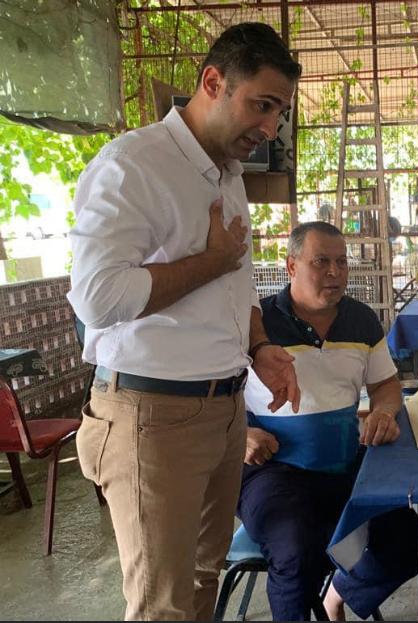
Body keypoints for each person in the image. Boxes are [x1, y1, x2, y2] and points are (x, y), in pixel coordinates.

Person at [68, 23, 302, 621]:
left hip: (224, 409)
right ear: (213, 82)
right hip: (153, 416)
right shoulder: (133, 165)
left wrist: (261, 345)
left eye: (279, 113)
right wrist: (212, 259)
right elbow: (97, 297)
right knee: (161, 606)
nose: (271, 128)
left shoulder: (226, 173)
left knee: (204, 578)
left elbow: (237, 285)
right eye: (263, 105)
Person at [239, 222, 418, 621]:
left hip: (344, 462)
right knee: (296, 550)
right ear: (291, 266)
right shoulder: (255, 325)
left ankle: (336, 594)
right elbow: (213, 396)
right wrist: (239, 434)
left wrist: (385, 412)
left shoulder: (361, 320)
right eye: (321, 262)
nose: (335, 272)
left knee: (408, 539)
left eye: (341, 262)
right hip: (273, 469)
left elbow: (387, 386)